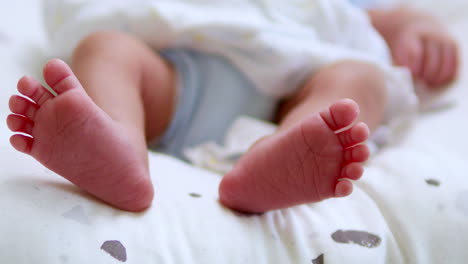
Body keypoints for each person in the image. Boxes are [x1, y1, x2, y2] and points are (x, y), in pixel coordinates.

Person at [6, 2, 458, 213]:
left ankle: (280, 152)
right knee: (106, 48)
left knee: (359, 81)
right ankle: (117, 141)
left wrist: (415, 24)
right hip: (180, 76)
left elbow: (380, 16)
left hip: (293, 88)